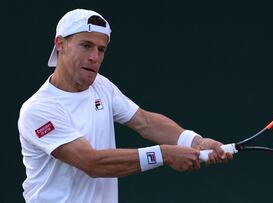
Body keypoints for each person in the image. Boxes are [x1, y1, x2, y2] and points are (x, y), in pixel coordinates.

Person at [18, 8, 232, 203]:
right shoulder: (39, 110)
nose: (94, 57)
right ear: (60, 44)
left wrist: (196, 141)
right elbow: (91, 163)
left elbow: (145, 122)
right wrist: (164, 154)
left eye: (101, 50)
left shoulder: (101, 86)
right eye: (86, 46)